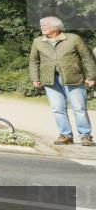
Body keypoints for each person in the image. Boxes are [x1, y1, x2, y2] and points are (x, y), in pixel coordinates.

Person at [29, 16, 96, 146]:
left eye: (45, 25)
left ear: (56, 27)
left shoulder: (73, 38)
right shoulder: (38, 42)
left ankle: (85, 136)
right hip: (50, 80)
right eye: (41, 25)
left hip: (74, 78)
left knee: (79, 108)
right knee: (57, 108)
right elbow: (34, 61)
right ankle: (65, 135)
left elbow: (87, 58)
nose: (42, 27)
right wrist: (35, 78)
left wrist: (91, 77)